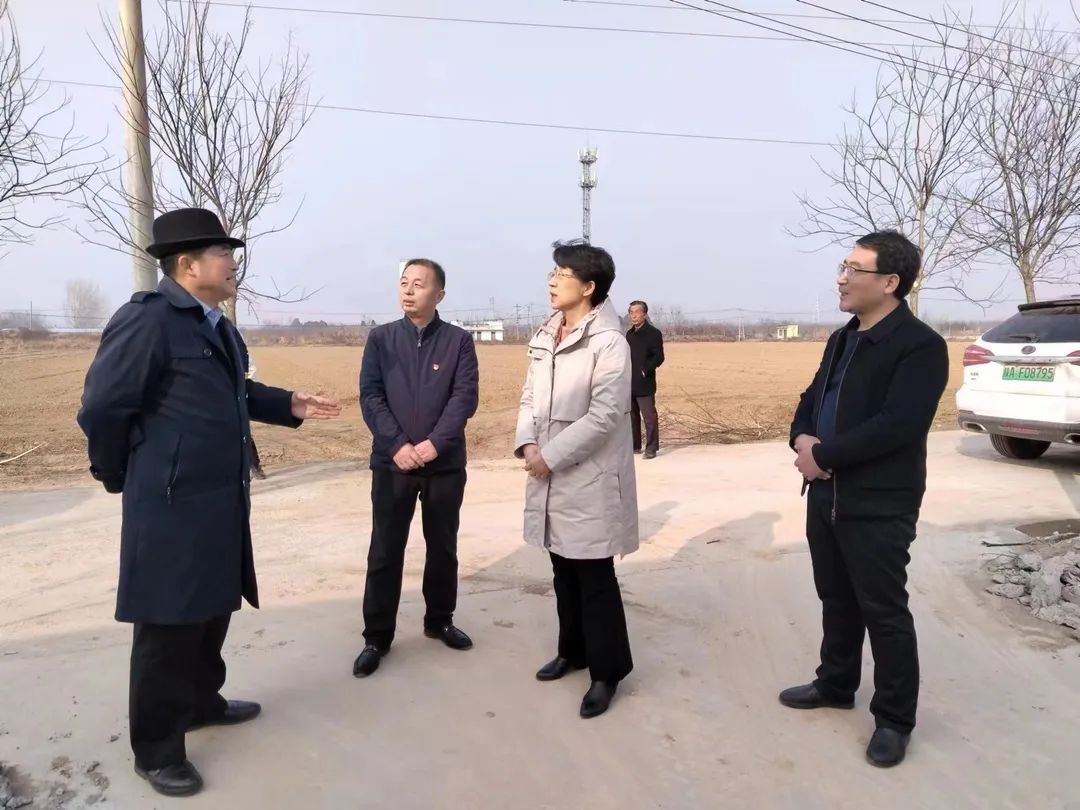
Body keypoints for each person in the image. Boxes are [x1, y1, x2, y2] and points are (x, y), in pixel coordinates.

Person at [77, 207, 341, 798]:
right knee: (168, 622)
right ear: (188, 264)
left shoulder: (214, 324)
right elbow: (102, 407)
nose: (232, 263)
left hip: (218, 498)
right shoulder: (147, 320)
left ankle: (201, 701)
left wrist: (287, 404)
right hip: (170, 504)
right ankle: (156, 750)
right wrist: (118, 473)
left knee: (212, 605)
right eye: (223, 253)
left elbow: (233, 391)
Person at [783, 230, 949, 768]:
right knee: (836, 596)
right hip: (825, 494)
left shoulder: (919, 346)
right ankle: (835, 683)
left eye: (855, 269)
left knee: (883, 609)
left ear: (890, 282)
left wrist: (825, 455)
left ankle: (895, 719)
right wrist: (802, 439)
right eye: (843, 267)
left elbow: (898, 425)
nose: (842, 278)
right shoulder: (842, 338)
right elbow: (812, 397)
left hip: (879, 502)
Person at [515, 240, 639, 719]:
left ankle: (607, 672)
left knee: (593, 577)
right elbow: (529, 396)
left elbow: (605, 416)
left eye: (563, 274)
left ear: (589, 287)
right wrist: (529, 443)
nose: (552, 280)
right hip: (549, 469)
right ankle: (573, 651)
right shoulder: (547, 334)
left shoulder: (608, 342)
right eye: (553, 272)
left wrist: (549, 456)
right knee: (562, 570)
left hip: (588, 477)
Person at [353, 258, 480, 678]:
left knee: (442, 547)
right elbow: (371, 396)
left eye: (419, 284)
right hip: (392, 464)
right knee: (385, 549)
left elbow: (464, 398)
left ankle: (439, 620)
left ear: (439, 294)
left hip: (443, 464)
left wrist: (432, 445)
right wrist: (398, 445)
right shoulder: (382, 339)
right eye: (404, 283)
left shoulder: (458, 341)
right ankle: (377, 636)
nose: (408, 291)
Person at [626, 300, 665, 459]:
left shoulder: (653, 333)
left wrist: (645, 370)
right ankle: (635, 446)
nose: (634, 315)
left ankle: (651, 448)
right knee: (632, 416)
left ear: (645, 314)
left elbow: (659, 357)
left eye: (637, 312)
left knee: (649, 417)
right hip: (629, 382)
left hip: (645, 382)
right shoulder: (629, 334)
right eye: (631, 312)